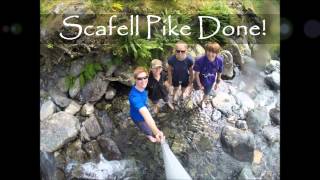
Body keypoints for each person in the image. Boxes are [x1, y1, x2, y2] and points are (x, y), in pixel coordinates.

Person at [129, 66, 165, 143]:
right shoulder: (134, 97)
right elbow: (146, 115)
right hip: (138, 118)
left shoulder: (143, 86)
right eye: (140, 79)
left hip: (140, 111)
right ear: (135, 79)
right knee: (148, 131)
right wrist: (156, 132)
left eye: (145, 77)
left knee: (149, 125)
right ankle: (149, 136)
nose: (143, 80)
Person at [193, 42, 224, 108]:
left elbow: (219, 71)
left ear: (217, 53)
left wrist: (217, 83)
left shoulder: (219, 60)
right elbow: (196, 74)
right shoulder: (199, 60)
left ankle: (203, 101)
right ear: (206, 51)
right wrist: (199, 84)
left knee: (206, 93)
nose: (210, 54)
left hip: (210, 81)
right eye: (209, 51)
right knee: (195, 88)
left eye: (213, 52)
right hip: (200, 78)